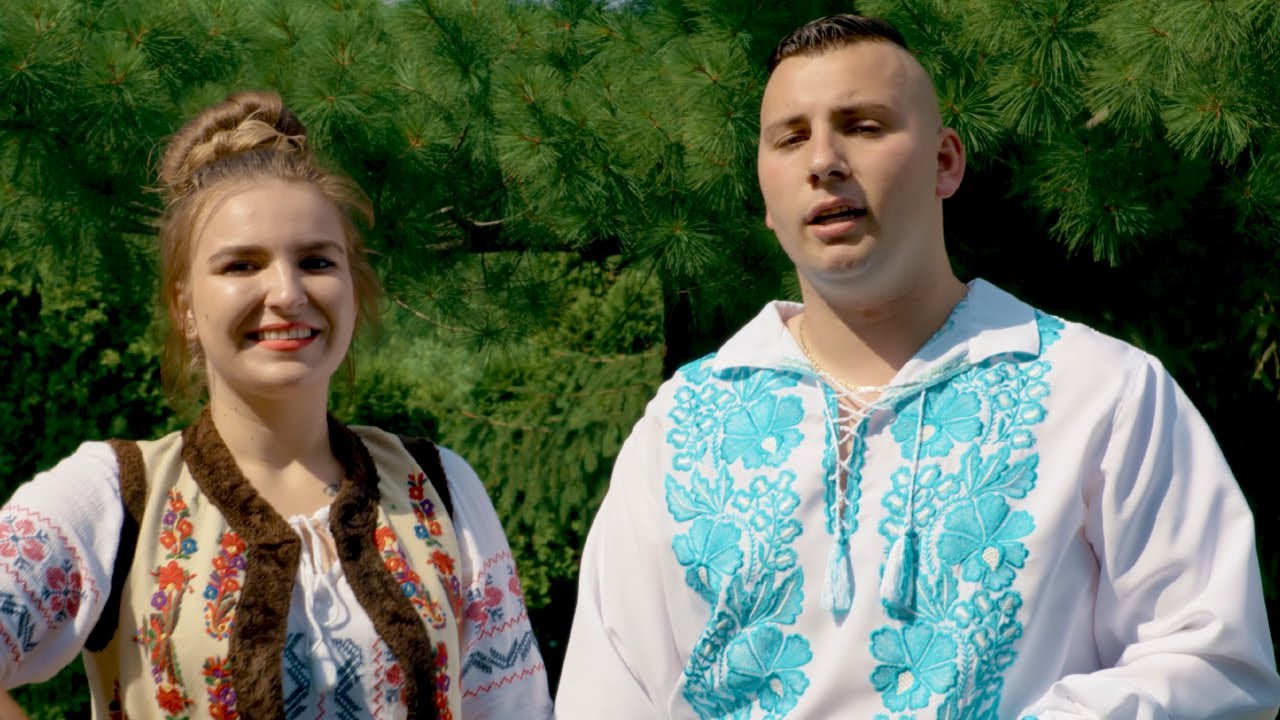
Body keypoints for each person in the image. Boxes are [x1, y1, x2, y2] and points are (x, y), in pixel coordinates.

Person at [556, 14, 1280, 719]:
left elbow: (1215, 664)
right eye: (791, 138)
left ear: (945, 162)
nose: (823, 161)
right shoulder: (679, 424)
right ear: (765, 195)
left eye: (864, 126)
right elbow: (611, 689)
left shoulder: (1102, 393)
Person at [0, 91, 552, 719]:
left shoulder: (441, 487)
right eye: (242, 265)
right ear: (185, 306)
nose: (287, 293)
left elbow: (515, 710)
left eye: (316, 261)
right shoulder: (114, 497)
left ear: (352, 288)